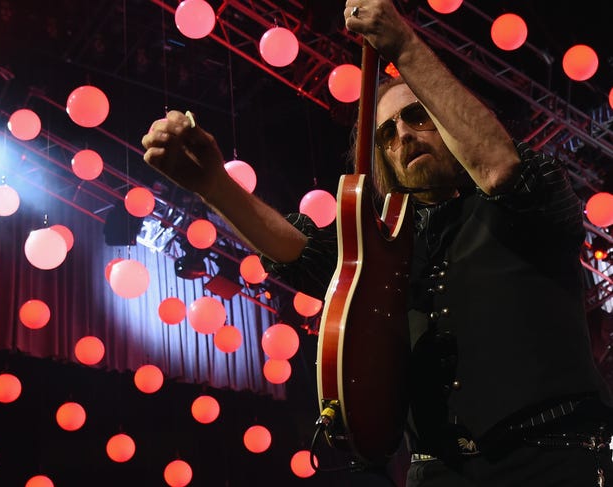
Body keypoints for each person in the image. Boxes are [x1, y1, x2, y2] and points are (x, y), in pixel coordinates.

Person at [141, 0, 613, 485]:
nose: (403, 136)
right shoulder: (389, 243)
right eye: (387, 133)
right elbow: (300, 253)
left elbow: (499, 169)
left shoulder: (531, 197)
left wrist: (405, 45)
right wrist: (212, 185)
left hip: (555, 459)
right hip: (438, 473)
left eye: (419, 116)